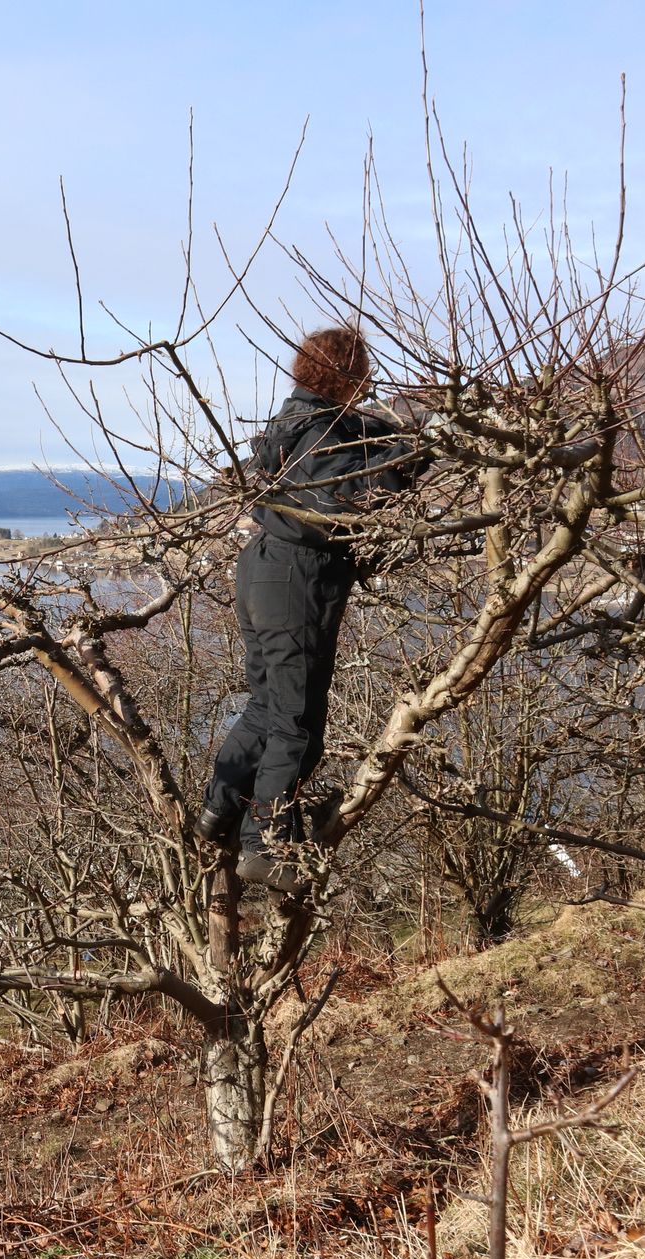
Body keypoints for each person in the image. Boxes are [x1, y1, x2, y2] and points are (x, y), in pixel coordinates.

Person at [197, 327, 426, 891]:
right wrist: (415, 454)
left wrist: (401, 430)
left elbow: (354, 444)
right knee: (298, 721)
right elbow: (345, 494)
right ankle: (267, 844)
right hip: (295, 578)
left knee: (268, 703)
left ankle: (217, 811)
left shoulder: (298, 421)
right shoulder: (319, 430)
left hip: (262, 568)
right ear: (347, 373)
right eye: (364, 369)